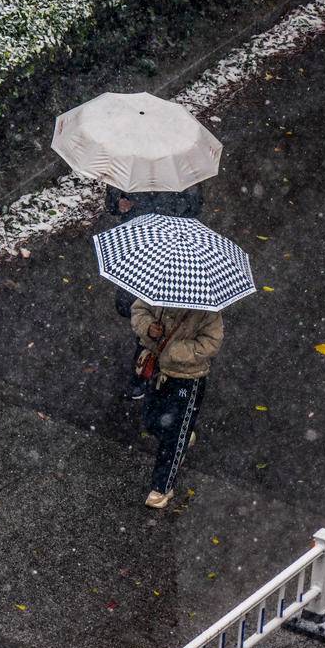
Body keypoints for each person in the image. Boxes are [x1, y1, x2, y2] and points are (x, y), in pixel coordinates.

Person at [106, 184, 203, 399]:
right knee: (141, 312)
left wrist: (173, 208)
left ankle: (149, 373)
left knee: (162, 314)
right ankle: (145, 369)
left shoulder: (181, 166)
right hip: (138, 244)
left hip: (171, 245)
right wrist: (118, 204)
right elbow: (112, 202)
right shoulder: (130, 158)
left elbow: (194, 207)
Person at [130, 299, 223, 509]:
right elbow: (138, 310)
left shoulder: (208, 309)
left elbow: (212, 342)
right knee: (151, 421)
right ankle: (184, 436)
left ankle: (162, 487)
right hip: (158, 372)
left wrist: (175, 351)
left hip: (188, 379)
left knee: (173, 437)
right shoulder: (161, 290)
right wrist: (149, 329)